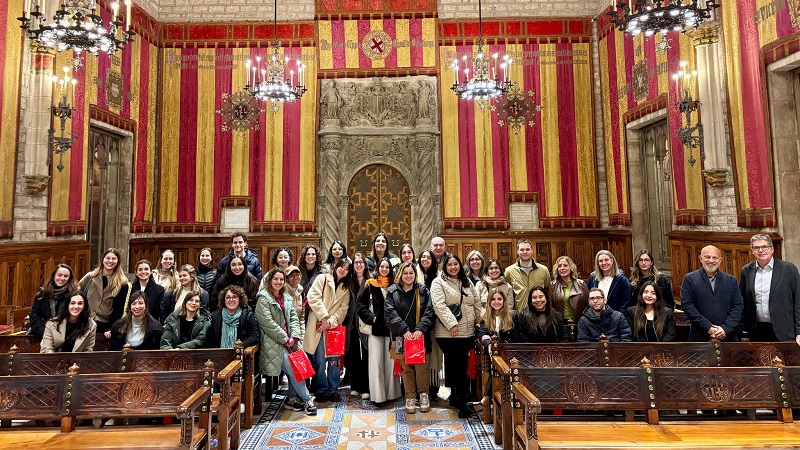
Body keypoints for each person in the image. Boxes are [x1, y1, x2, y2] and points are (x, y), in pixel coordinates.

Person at [254, 268, 317, 415]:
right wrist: (285, 338)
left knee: (300, 366)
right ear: (270, 281)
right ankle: (307, 399)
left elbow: (294, 317)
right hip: (273, 343)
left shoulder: (287, 297)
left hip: (291, 340)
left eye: (281, 279)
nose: (278, 282)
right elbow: (267, 323)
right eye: (275, 279)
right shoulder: (263, 298)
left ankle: (292, 398)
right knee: (293, 368)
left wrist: (294, 336)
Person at [431, 254, 481, 419]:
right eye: (450, 265)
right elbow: (439, 305)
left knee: (461, 364)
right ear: (444, 266)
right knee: (457, 365)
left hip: (468, 331)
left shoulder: (465, 281)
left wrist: (478, 321)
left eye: (456, 264)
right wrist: (452, 323)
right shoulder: (439, 282)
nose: (453, 267)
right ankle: (463, 402)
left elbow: (476, 302)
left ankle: (455, 397)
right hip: (448, 332)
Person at [385, 262, 435, 414]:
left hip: (421, 336)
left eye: (411, 273)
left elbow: (429, 311)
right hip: (402, 337)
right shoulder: (392, 291)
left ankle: (424, 395)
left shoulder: (422, 290)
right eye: (405, 273)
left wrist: (420, 329)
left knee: (422, 368)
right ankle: (410, 397)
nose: (408, 276)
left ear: (415, 274)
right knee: (406, 369)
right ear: (400, 274)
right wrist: (403, 329)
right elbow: (389, 313)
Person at [305, 257, 353, 403]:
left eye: (346, 269)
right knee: (319, 359)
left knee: (334, 361)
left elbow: (343, 308)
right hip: (318, 325)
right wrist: (324, 317)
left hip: (333, 329)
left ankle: (333, 389)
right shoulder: (322, 278)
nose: (343, 270)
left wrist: (331, 322)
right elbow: (312, 297)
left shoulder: (345, 288)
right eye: (341, 266)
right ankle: (320, 389)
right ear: (336, 266)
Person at [357, 257, 401, 407]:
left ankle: (391, 394)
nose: (384, 269)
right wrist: (372, 318)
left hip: (391, 330)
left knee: (390, 363)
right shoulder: (370, 285)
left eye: (387, 267)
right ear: (377, 268)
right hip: (376, 329)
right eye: (382, 267)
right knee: (375, 363)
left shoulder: (394, 286)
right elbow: (360, 306)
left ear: (390, 270)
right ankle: (378, 396)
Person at [740, 234, 800, 345]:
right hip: (757, 330)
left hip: (784, 330)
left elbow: (798, 300)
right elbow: (742, 302)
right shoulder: (746, 271)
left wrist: (799, 331)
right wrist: (744, 330)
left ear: (772, 249)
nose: (761, 250)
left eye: (765, 247)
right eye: (756, 248)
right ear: (752, 251)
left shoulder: (788, 269)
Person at [681, 245, 743, 342]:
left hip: (728, 337)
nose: (711, 260)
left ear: (720, 260)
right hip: (700, 337)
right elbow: (687, 305)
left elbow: (738, 306)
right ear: (700, 259)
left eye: (715, 257)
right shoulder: (690, 279)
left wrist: (725, 328)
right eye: (707, 257)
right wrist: (708, 327)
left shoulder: (731, 280)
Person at [472, 288, 516, 412]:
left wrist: (497, 342)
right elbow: (482, 335)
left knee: (499, 368)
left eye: (499, 299)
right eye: (493, 299)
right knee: (496, 366)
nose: (496, 302)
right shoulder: (484, 316)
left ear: (504, 300)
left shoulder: (512, 315)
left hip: (509, 354)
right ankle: (495, 402)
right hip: (492, 354)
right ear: (489, 301)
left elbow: (515, 337)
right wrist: (489, 343)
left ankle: (486, 398)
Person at [79, 248, 130, 334]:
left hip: (104, 325)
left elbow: (119, 309)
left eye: (114, 258)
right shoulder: (90, 276)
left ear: (118, 261)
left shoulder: (122, 282)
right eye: (107, 258)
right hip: (85, 322)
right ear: (103, 259)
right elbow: (77, 293)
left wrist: (112, 328)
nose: (110, 261)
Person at [29, 264, 79, 339]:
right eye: (59, 275)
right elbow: (34, 316)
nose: (62, 278)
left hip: (66, 335)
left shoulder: (73, 295)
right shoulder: (42, 294)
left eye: (66, 276)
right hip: (42, 334)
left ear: (69, 278)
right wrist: (46, 334)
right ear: (54, 276)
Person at [345, 253, 370, 399]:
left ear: (365, 265)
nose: (359, 264)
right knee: (353, 355)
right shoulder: (349, 281)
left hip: (366, 323)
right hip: (351, 324)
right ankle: (355, 385)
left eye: (361, 262)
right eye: (356, 262)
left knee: (367, 355)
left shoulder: (370, 281)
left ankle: (366, 387)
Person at [504, 239, 551, 312]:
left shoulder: (543, 270)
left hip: (540, 313)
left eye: (527, 249)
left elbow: (548, 290)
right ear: (517, 251)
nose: (525, 252)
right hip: (519, 314)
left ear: (532, 251)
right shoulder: (509, 271)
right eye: (522, 250)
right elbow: (506, 292)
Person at [549, 256, 589, 325]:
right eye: (559, 266)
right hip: (560, 324)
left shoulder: (581, 283)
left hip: (580, 322)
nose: (562, 268)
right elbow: (549, 307)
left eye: (565, 265)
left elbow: (588, 304)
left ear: (571, 267)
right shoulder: (552, 285)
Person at [284, 265, 305, 337]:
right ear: (287, 279)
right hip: (286, 331)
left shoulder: (301, 291)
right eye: (292, 276)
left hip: (298, 330)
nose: (295, 277)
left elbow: (301, 317)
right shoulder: (283, 292)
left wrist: (302, 335)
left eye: (297, 275)